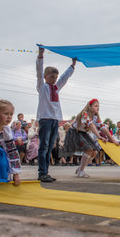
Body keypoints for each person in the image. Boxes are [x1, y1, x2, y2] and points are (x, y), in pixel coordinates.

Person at [36, 46, 76, 182]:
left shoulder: (56, 88)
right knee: (43, 146)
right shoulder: (43, 87)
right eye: (51, 77)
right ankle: (42, 172)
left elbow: (64, 78)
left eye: (55, 77)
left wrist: (72, 66)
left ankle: (46, 172)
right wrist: (40, 56)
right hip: (45, 120)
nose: (54, 79)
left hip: (55, 120)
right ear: (45, 77)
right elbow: (38, 71)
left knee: (50, 147)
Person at [72, 99, 119, 178]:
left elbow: (102, 127)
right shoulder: (85, 114)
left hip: (84, 133)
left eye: (98, 106)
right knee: (89, 149)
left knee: (94, 152)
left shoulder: (95, 116)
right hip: (75, 133)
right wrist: (99, 136)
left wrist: (113, 140)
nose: (98, 108)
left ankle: (80, 168)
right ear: (90, 107)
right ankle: (81, 172)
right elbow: (91, 125)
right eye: (95, 106)